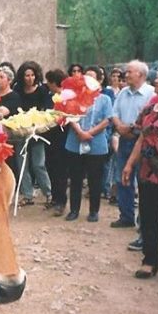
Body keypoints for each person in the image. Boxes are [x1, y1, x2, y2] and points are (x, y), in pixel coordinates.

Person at [121, 63, 158, 283]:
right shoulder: (149, 109)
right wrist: (129, 164)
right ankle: (150, 261)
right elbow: (141, 138)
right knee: (149, 219)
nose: (156, 80)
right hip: (148, 174)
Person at [61, 67, 113, 222]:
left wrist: (90, 133)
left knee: (94, 179)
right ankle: (74, 209)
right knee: (75, 178)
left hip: (96, 143)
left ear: (99, 80)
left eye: (92, 77)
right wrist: (80, 132)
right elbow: (69, 116)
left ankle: (93, 211)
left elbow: (107, 120)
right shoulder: (74, 96)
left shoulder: (105, 99)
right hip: (74, 142)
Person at [111, 60, 155, 229]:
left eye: (129, 72)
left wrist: (130, 127)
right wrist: (120, 126)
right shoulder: (122, 93)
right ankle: (126, 216)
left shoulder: (151, 94)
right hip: (124, 141)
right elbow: (114, 113)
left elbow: (150, 120)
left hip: (143, 142)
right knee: (123, 178)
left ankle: (143, 223)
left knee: (143, 182)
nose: (126, 75)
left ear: (141, 75)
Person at [13, 61, 53, 207]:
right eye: (26, 75)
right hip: (21, 131)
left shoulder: (42, 90)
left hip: (37, 132)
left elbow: (47, 109)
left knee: (38, 164)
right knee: (22, 164)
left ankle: (48, 193)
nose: (29, 78)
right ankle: (28, 194)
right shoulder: (17, 90)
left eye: (32, 75)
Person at [44, 68, 68, 215]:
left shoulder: (66, 97)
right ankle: (55, 197)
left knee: (61, 171)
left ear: (54, 83)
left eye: (49, 82)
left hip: (62, 137)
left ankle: (61, 201)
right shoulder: (50, 96)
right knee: (50, 167)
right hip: (49, 137)